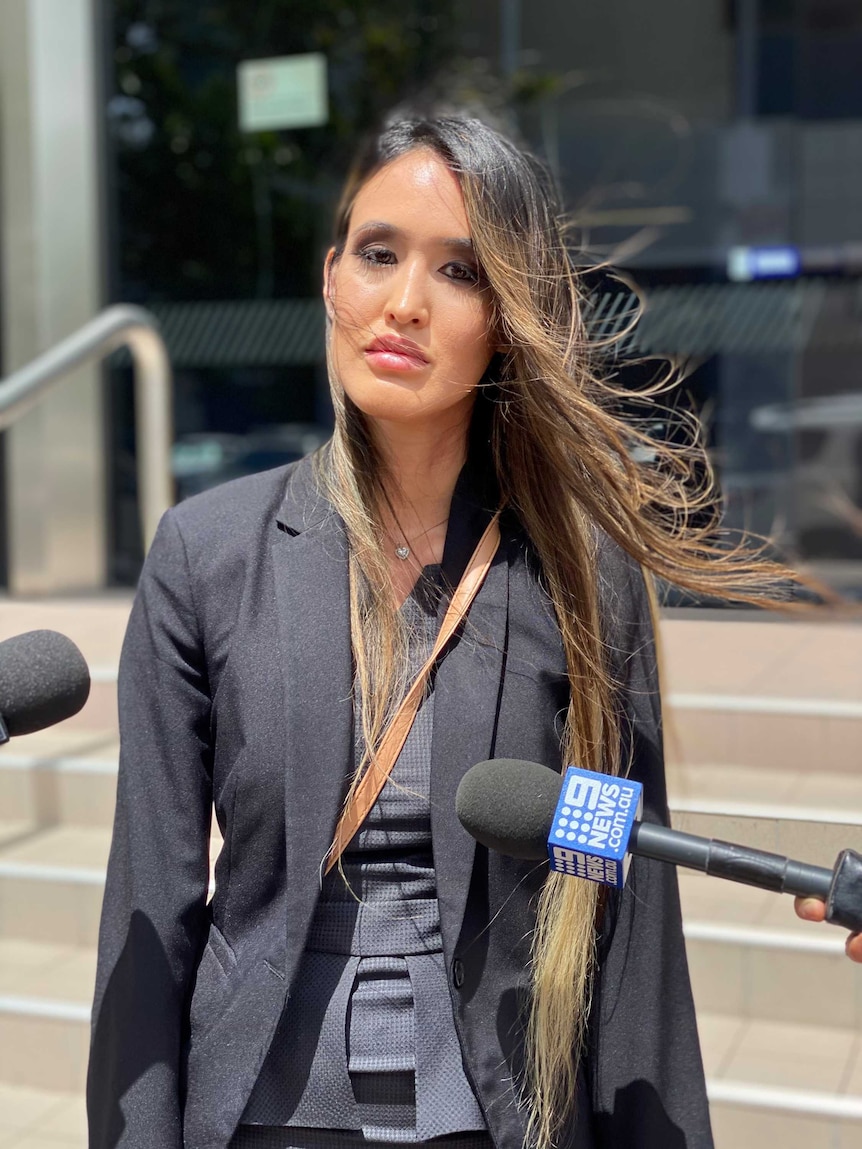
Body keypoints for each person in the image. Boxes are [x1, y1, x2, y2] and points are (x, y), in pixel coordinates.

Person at [87, 115, 857, 1149]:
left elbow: (623, 927)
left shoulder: (577, 572)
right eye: (378, 255)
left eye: (458, 271)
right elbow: (150, 910)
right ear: (330, 278)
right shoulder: (207, 555)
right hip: (261, 1107)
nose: (403, 302)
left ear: (505, 317)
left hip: (496, 1110)